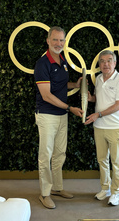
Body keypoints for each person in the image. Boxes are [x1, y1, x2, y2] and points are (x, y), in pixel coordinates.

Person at [34, 26, 83, 209]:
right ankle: (44, 193)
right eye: (55, 40)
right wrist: (70, 108)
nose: (59, 43)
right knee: (45, 155)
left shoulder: (62, 60)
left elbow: (60, 85)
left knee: (59, 154)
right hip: (47, 115)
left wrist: (75, 84)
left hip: (62, 115)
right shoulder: (42, 63)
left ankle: (57, 188)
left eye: (62, 40)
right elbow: (46, 95)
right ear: (48, 41)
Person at [84, 50, 119, 206]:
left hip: (115, 127)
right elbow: (99, 98)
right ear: (99, 64)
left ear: (115, 63)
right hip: (99, 127)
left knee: (116, 162)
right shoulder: (98, 79)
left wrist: (98, 114)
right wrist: (90, 99)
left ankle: (116, 193)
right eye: (102, 61)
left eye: (109, 60)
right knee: (102, 160)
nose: (105, 64)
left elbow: (118, 104)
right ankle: (106, 189)